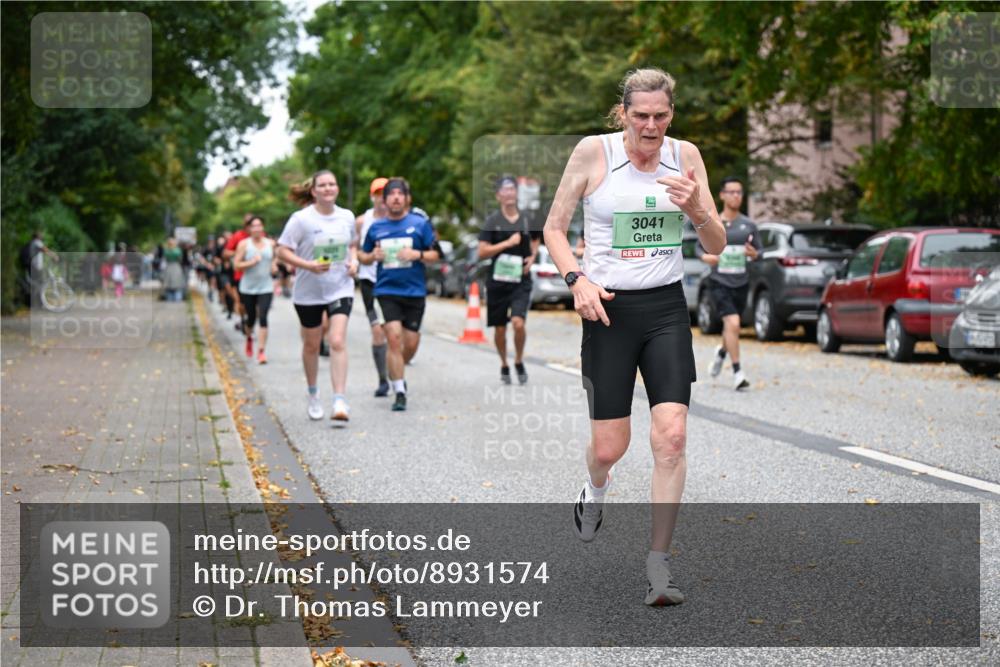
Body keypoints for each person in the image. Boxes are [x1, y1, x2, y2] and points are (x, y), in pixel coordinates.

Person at [542, 67, 726, 606]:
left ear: (672, 114)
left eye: (660, 116)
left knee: (671, 438)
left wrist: (696, 208)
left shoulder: (685, 156)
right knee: (610, 447)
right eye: (640, 115)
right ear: (623, 113)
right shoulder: (592, 153)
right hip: (608, 310)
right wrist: (576, 280)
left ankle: (658, 565)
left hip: (666, 308)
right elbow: (554, 228)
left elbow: (715, 243)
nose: (650, 126)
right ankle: (595, 488)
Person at [276, 170, 358, 422]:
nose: (328, 188)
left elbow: (352, 244)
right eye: (322, 185)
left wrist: (354, 261)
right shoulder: (301, 220)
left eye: (332, 184)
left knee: (336, 340)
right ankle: (313, 394)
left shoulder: (347, 216)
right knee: (311, 345)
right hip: (308, 291)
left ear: (337, 188)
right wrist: (308, 265)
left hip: (340, 286)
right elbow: (282, 251)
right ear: (313, 191)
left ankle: (339, 400)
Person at [358, 178, 439, 412]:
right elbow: (362, 256)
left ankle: (397, 370)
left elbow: (435, 255)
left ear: (407, 199)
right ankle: (399, 390)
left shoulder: (420, 224)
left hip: (414, 291)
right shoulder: (376, 227)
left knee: (410, 344)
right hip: (386, 291)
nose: (395, 198)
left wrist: (417, 254)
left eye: (400, 194)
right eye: (391, 194)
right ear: (384, 200)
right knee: (392, 338)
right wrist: (372, 256)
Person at [698, 177, 761, 390]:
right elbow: (698, 248)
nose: (736, 196)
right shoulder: (713, 222)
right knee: (733, 323)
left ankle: (722, 352)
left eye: (739, 192)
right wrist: (705, 257)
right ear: (722, 195)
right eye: (731, 192)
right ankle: (738, 372)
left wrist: (754, 254)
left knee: (732, 327)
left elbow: (759, 252)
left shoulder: (749, 225)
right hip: (719, 282)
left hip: (741, 282)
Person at [478, 175, 540, 384]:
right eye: (505, 190)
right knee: (500, 328)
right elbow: (482, 252)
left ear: (517, 193)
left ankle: (519, 360)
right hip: (497, 281)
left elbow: (536, 239)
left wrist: (532, 257)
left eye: (512, 189)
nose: (509, 193)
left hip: (521, 281)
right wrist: (506, 244)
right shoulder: (492, 221)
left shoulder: (527, 219)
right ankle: (504, 362)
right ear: (498, 196)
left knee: (518, 323)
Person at [356, 177, 391, 397]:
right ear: (372, 197)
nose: (381, 198)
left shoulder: (402, 220)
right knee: (378, 330)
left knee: (394, 333)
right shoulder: (362, 221)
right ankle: (383, 380)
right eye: (377, 194)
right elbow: (354, 248)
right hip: (370, 281)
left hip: (395, 282)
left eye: (384, 193)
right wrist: (362, 259)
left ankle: (396, 370)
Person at [234, 216, 278, 364]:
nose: (257, 228)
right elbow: (236, 265)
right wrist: (251, 262)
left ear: (263, 227)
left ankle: (261, 351)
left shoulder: (270, 243)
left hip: (266, 286)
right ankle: (249, 337)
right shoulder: (244, 244)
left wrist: (274, 265)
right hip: (248, 288)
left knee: (263, 317)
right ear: (249, 229)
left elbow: (275, 258)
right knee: (251, 318)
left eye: (259, 225)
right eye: (254, 226)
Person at [224, 214, 254, 331]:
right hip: (240, 275)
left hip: (257, 276)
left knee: (255, 305)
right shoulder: (238, 236)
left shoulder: (260, 235)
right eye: (248, 223)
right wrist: (240, 253)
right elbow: (226, 253)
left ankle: (249, 323)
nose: (251, 226)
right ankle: (243, 320)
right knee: (242, 303)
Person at [161, 237, 187, 302]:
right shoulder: (177, 251)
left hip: (170, 267)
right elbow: (180, 259)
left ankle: (171, 299)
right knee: (176, 286)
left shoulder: (166, 251)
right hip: (175, 267)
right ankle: (176, 300)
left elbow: (165, 259)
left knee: (169, 285)